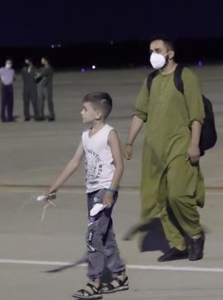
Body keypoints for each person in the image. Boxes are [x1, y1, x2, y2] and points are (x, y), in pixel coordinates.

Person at [124, 38, 206, 262]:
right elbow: (140, 113)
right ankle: (178, 245)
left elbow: (196, 114)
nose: (153, 54)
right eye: (150, 51)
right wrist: (129, 142)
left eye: (157, 50)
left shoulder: (185, 76)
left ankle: (196, 234)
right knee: (159, 199)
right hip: (154, 149)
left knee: (178, 194)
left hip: (180, 146)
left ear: (170, 53)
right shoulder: (150, 80)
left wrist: (194, 143)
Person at [43, 92, 128, 299]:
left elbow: (119, 165)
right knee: (104, 234)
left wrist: (111, 191)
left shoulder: (110, 133)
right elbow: (74, 162)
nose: (81, 112)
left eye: (85, 109)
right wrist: (54, 187)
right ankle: (120, 276)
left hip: (104, 191)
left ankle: (95, 282)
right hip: (91, 191)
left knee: (92, 236)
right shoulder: (85, 135)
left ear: (98, 114)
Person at [36, 56, 56, 121]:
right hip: (41, 87)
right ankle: (41, 115)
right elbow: (37, 72)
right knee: (40, 102)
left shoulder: (49, 68)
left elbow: (40, 75)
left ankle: (51, 115)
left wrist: (38, 75)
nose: (41, 61)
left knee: (49, 102)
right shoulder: (43, 68)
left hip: (47, 88)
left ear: (46, 61)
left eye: (42, 60)